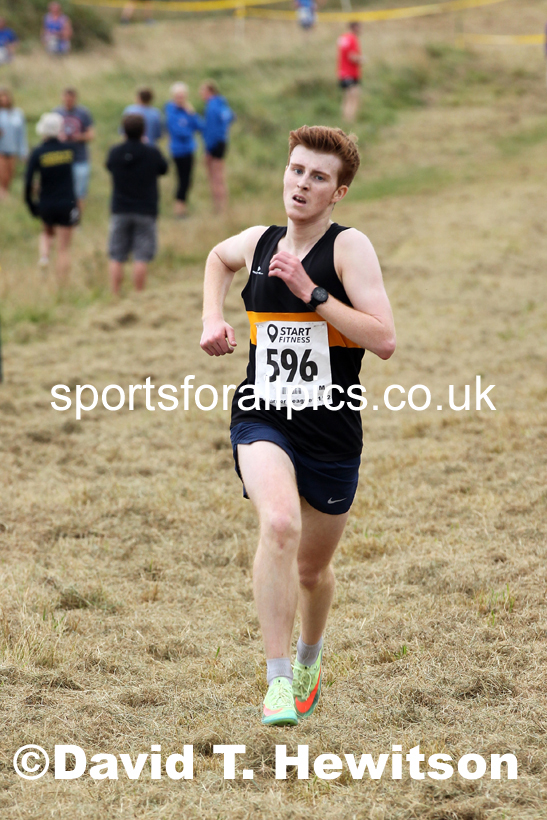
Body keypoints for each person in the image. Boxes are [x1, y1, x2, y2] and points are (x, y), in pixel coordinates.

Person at [200, 125, 396, 725]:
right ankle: (278, 682)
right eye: (296, 170)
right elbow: (216, 258)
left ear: (338, 193)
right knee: (279, 523)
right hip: (263, 414)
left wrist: (311, 293)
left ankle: (310, 658)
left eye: (318, 177)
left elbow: (384, 339)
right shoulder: (259, 241)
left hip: (331, 430)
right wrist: (212, 318)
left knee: (312, 570)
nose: (302, 184)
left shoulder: (348, 248)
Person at [106, 114, 168, 295]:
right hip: (145, 209)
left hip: (120, 208)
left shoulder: (115, 152)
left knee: (117, 255)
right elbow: (164, 169)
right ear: (143, 130)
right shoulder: (151, 152)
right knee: (141, 256)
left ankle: (115, 293)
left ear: (123, 131)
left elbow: (109, 166)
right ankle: (138, 295)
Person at [24, 112, 79, 284]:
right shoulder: (69, 150)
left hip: (46, 201)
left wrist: (31, 204)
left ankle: (45, 257)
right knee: (64, 248)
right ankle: (62, 284)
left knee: (47, 232)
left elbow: (28, 181)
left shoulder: (38, 152)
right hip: (67, 202)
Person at [164, 82, 203, 219]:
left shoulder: (187, 110)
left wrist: (192, 114)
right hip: (179, 150)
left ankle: (182, 208)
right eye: (178, 96)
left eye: (183, 96)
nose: (181, 99)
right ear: (173, 96)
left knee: (187, 180)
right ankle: (179, 210)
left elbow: (200, 127)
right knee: (183, 180)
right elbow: (178, 131)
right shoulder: (171, 110)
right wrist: (189, 129)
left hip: (189, 150)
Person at [55, 88, 95, 212]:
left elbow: (91, 135)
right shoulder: (56, 113)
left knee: (79, 193)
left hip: (79, 158)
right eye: (66, 98)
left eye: (71, 98)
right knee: (60, 191)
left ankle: (76, 220)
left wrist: (79, 137)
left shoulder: (83, 113)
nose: (68, 101)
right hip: (61, 158)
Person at [199, 80, 235, 213]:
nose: (201, 94)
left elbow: (211, 130)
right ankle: (222, 205)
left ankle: (219, 207)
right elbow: (231, 117)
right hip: (222, 142)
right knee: (219, 176)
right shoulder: (222, 103)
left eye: (202, 91)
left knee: (215, 176)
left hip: (214, 144)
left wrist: (208, 148)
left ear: (209, 92)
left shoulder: (212, 106)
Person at [0, 87, 28, 200]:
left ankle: (5, 196)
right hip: (1, 150)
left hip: (12, 150)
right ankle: (4, 198)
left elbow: (21, 134)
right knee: (2, 175)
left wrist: (23, 151)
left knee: (10, 175)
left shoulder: (17, 114)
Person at [337, 22, 365, 124]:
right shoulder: (353, 39)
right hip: (351, 74)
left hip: (342, 73)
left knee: (346, 98)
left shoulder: (342, 38)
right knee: (354, 98)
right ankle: (350, 122)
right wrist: (361, 59)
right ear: (355, 28)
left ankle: (344, 121)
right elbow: (352, 56)